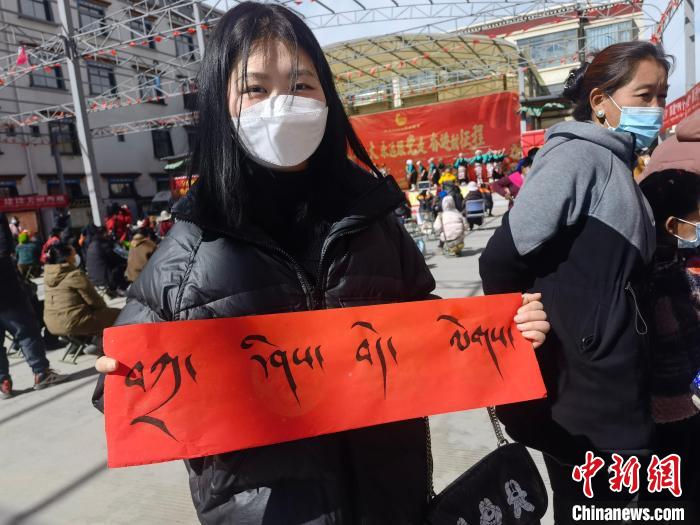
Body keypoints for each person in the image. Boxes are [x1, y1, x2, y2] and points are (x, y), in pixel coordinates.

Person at [91, 3, 550, 523]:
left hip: (392, 501)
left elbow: (430, 329)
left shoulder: (374, 221)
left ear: (327, 97)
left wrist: (505, 332)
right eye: (255, 88)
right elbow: (122, 395)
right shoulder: (188, 252)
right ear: (220, 104)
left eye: (301, 85)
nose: (281, 104)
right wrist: (119, 377)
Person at [479, 41, 669, 523]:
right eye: (644, 95)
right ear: (601, 101)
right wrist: (525, 329)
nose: (657, 108)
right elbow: (501, 258)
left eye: (661, 95)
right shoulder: (577, 158)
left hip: (612, 385)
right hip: (583, 392)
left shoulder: (616, 162)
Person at [638, 111, 700, 520]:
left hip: (671, 407)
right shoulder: (663, 280)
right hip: (675, 408)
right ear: (673, 225)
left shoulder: (660, 265)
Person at [0, 213, 65, 399]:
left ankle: (3, 382)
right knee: (26, 331)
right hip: (6, 288)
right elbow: (5, 247)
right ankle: (41, 372)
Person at [43, 243, 120, 355]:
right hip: (72, 322)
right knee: (119, 315)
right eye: (74, 254)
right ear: (67, 258)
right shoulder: (74, 275)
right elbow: (95, 301)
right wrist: (104, 310)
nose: (76, 257)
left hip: (52, 323)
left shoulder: (48, 276)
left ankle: (81, 344)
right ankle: (101, 345)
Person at [86, 226, 127, 296]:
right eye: (107, 232)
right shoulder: (102, 244)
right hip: (104, 279)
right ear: (104, 233)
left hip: (93, 278)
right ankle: (121, 288)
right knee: (122, 266)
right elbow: (115, 258)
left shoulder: (91, 244)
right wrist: (126, 261)